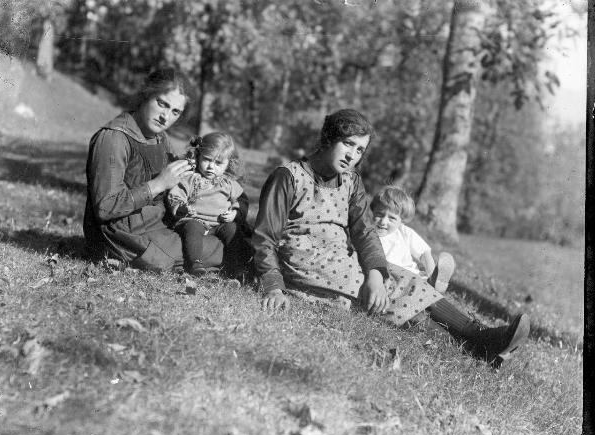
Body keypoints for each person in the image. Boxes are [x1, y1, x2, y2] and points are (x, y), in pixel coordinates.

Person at [252, 108, 530, 365]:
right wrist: (274, 287)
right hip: (305, 261)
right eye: (348, 144)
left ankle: (477, 335)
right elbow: (264, 238)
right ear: (327, 138)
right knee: (386, 295)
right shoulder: (288, 177)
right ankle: (477, 347)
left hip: (340, 255)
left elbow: (364, 230)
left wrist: (375, 272)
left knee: (400, 276)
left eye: (360, 150)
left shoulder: (350, 179)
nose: (352, 156)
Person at [83, 67, 223, 271]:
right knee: (217, 249)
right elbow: (105, 207)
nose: (166, 117)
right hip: (122, 238)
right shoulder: (114, 138)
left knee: (222, 234)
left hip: (154, 225)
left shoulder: (159, 137)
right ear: (146, 94)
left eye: (175, 111)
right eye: (162, 104)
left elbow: (174, 184)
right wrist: (157, 185)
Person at [166, 132, 250, 275]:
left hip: (219, 224)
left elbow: (242, 200)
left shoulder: (229, 183)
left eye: (218, 163)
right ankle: (194, 263)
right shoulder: (190, 178)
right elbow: (175, 196)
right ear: (198, 156)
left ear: (229, 163)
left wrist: (234, 213)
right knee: (192, 227)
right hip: (195, 220)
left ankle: (236, 267)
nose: (211, 167)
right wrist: (182, 208)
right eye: (207, 160)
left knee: (233, 230)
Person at [371, 185, 455, 293]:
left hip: (409, 275)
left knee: (420, 282)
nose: (383, 222)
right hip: (384, 275)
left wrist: (431, 273)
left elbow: (424, 253)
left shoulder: (404, 232)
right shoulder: (367, 232)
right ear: (373, 211)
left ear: (402, 220)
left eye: (392, 218)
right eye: (379, 214)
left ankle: (433, 282)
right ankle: (430, 291)